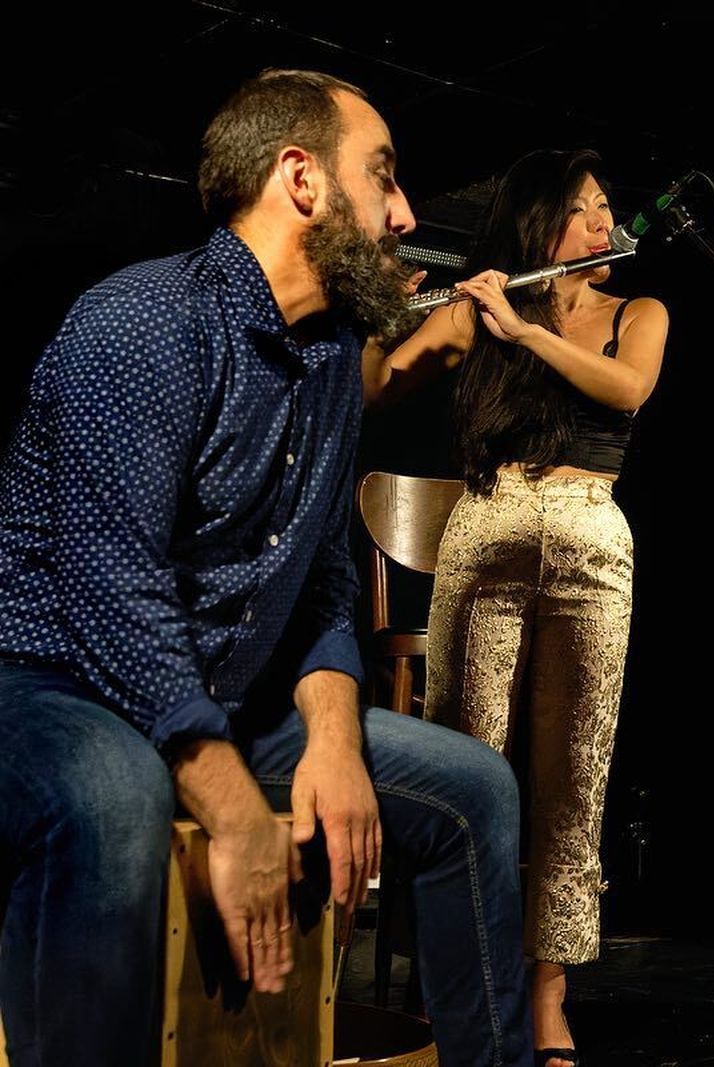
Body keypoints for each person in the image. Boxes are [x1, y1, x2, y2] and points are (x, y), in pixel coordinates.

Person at [0, 69, 536, 1067]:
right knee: (117, 798)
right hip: (56, 687)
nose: (406, 215)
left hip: (227, 695)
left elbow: (323, 573)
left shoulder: (332, 353)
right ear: (301, 179)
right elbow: (113, 594)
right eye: (383, 177)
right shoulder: (142, 322)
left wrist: (333, 739)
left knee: (475, 791)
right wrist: (238, 810)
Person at [369, 148, 668, 1067]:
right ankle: (466, 977)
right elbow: (375, 388)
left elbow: (627, 388)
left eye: (607, 207)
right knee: (471, 764)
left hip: (590, 530)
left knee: (573, 778)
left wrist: (524, 329)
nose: (603, 225)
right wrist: (389, 309)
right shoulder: (475, 313)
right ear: (540, 224)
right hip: (489, 523)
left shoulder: (637, 314)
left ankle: (548, 989)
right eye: (585, 209)